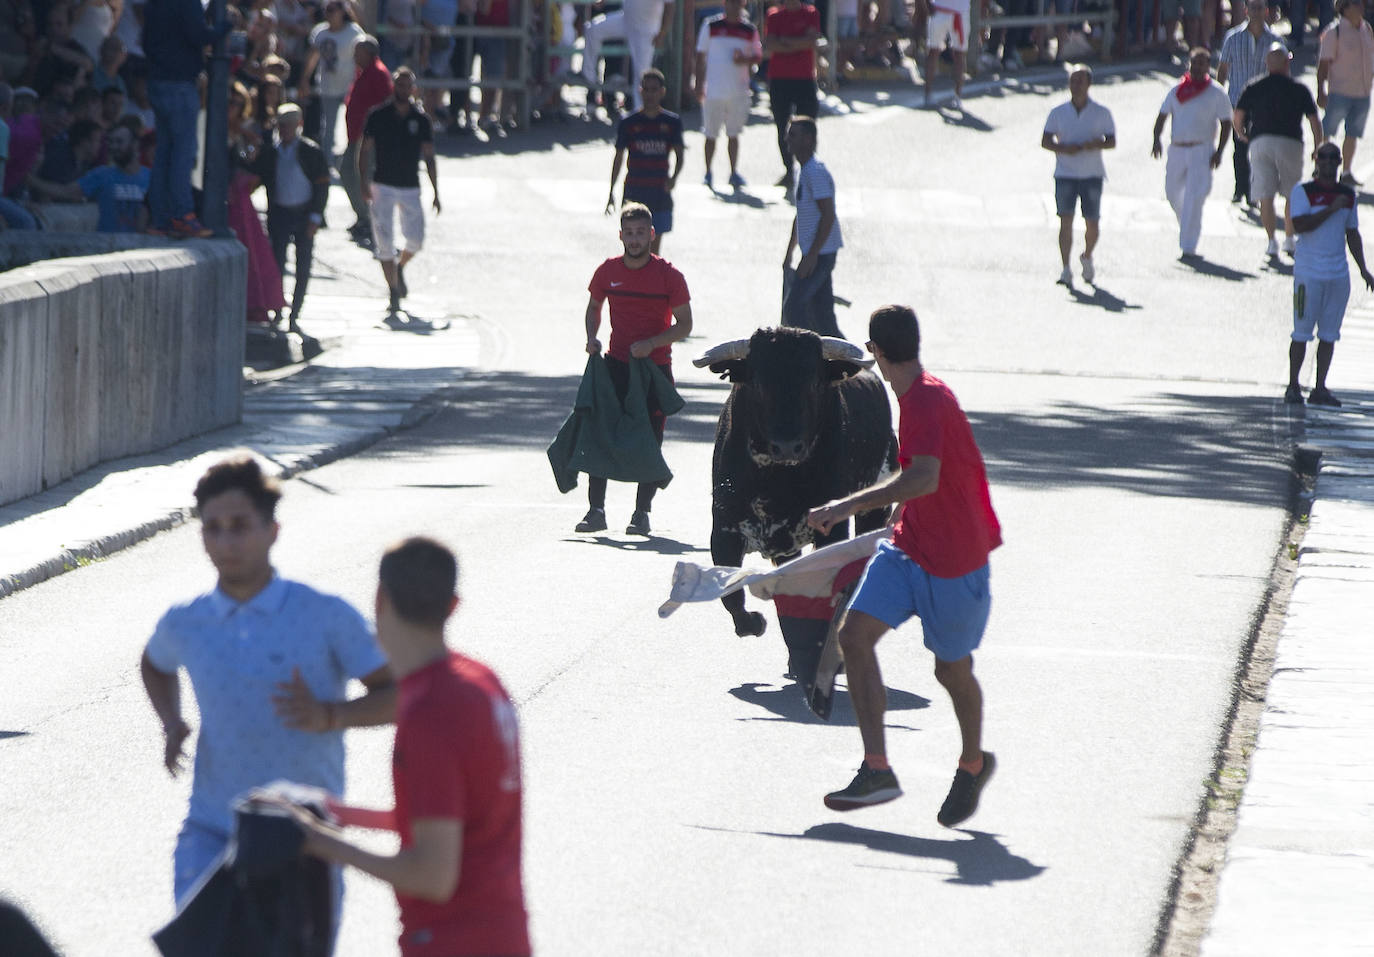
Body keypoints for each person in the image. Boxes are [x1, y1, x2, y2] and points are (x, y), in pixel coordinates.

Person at [139, 454, 396, 905]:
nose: (225, 540)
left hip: (305, 838)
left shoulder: (325, 615)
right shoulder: (187, 622)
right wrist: (171, 720)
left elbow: (397, 693)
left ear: (272, 531)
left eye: (239, 525)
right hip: (211, 832)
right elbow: (155, 663)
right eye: (212, 528)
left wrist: (331, 714)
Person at [276, 537, 531, 957]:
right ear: (452, 605)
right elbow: (443, 819)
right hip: (503, 931)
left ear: (379, 599)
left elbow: (432, 875)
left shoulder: (431, 711)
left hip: (451, 940)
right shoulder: (481, 681)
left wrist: (318, 841)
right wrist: (334, 812)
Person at [807, 304, 1001, 827]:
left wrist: (841, 508)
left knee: (951, 670)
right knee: (854, 636)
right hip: (907, 548)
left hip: (955, 562)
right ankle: (877, 769)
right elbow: (918, 480)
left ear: (874, 351)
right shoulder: (912, 397)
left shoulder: (928, 401)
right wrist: (894, 516)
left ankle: (973, 763)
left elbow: (924, 479)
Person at [576, 202, 693, 536]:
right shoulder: (607, 271)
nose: (635, 239)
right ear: (621, 236)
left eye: (641, 233)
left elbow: (685, 324)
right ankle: (595, 511)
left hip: (654, 369)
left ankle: (641, 513)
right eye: (629, 233)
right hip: (615, 365)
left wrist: (653, 343)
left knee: (649, 440)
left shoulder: (669, 276)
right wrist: (591, 337)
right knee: (600, 433)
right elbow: (594, 307)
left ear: (652, 235)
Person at [1285, 142, 1374, 407]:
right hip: (1308, 274)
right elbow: (1300, 225)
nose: (1328, 162)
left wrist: (1364, 270)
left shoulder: (1348, 195)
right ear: (1315, 160)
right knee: (1301, 332)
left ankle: (1320, 387)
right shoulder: (1303, 192)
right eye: (1322, 157)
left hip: (1337, 275)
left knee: (1329, 334)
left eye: (1333, 158)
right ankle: (1292, 386)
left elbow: (1352, 233)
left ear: (1338, 163)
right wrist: (1330, 209)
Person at [359, 67, 440, 315]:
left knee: (416, 239)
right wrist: (363, 182)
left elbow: (429, 156)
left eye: (407, 86)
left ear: (413, 89)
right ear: (393, 86)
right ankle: (393, 290)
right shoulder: (378, 115)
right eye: (399, 85)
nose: (402, 90)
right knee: (384, 242)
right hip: (382, 184)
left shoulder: (421, 119)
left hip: (409, 185)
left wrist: (436, 191)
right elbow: (364, 151)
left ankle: (400, 267)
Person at [143, 0, 225, 238]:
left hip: (157, 82)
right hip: (180, 84)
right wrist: (223, 28)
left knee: (164, 153)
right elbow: (198, 35)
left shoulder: (154, 5)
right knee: (182, 153)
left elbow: (147, 42)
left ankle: (159, 219)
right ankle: (182, 215)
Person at [242, 101, 328, 330]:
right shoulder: (271, 152)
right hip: (279, 213)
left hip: (304, 214)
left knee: (303, 265)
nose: (285, 130)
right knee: (276, 263)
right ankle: (278, 308)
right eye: (282, 125)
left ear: (298, 125)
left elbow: (322, 186)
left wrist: (316, 217)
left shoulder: (310, 151)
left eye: (289, 125)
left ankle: (295, 313)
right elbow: (255, 174)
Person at [1234, 44, 1322, 258]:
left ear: (1267, 64)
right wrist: (1318, 147)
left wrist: (1242, 134)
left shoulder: (1253, 87)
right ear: (1286, 63)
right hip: (1290, 143)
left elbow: (1238, 115)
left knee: (1265, 195)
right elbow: (1314, 121)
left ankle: (1272, 241)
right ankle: (1290, 239)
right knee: (1292, 193)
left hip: (1260, 142)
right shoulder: (1299, 89)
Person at [1151, 48, 1233, 258]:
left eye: (1202, 64)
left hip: (1201, 149)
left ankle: (1188, 246)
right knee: (1172, 193)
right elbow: (1162, 115)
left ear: (1208, 66)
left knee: (1194, 198)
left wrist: (1219, 152)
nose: (1197, 67)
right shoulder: (1177, 90)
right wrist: (1156, 140)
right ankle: (1187, 224)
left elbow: (1226, 123)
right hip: (1177, 149)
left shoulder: (1216, 92)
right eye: (1194, 63)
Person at [1042, 66, 1116, 286]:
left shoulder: (1101, 112)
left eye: (1080, 81)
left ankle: (1087, 255)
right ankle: (1065, 268)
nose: (1076, 86)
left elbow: (1111, 140)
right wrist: (1064, 149)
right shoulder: (1058, 112)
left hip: (1092, 174)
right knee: (1066, 220)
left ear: (1088, 84)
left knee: (1091, 223)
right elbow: (1046, 140)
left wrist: (1095, 144)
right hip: (1065, 173)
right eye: (1073, 81)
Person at [606, 68, 683, 255]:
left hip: (659, 191)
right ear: (640, 90)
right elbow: (619, 157)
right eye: (646, 89)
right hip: (635, 190)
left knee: (654, 252)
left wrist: (673, 178)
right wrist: (611, 191)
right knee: (633, 248)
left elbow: (680, 154)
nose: (650, 94)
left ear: (662, 92)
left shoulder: (671, 122)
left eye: (654, 89)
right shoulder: (628, 122)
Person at [1217, 0, 1284, 205]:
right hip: (1238, 102)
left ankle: (1254, 190)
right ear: (1246, 10)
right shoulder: (1233, 38)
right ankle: (1240, 188)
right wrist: (1218, 98)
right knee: (1240, 147)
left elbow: (1281, 73)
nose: (1256, 12)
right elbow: (1223, 69)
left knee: (1259, 149)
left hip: (1263, 104)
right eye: (1252, 7)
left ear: (1266, 11)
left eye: (1259, 8)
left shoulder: (1275, 41)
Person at [782, 116, 843, 337]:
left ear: (808, 139)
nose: (787, 139)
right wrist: (790, 252)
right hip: (815, 253)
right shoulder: (803, 170)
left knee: (794, 307)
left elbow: (828, 216)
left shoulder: (814, 172)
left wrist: (812, 256)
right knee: (823, 317)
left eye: (793, 135)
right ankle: (853, 365)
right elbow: (801, 216)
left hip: (821, 254)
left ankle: (809, 356)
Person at [694, 0, 762, 191]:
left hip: (738, 91)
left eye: (737, 3)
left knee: (733, 133)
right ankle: (708, 172)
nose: (733, 6)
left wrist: (744, 59)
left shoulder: (749, 29)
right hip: (713, 90)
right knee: (710, 134)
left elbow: (758, 55)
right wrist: (699, 85)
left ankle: (733, 172)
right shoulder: (711, 25)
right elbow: (700, 56)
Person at [30, 123, 148, 231]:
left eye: (119, 142)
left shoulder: (151, 178)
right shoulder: (102, 174)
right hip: (108, 246)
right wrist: (29, 179)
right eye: (110, 142)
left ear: (135, 144)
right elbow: (66, 191)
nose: (113, 146)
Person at [763, 0, 820, 192]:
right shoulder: (774, 15)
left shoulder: (810, 13)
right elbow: (771, 44)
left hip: (804, 78)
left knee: (808, 126)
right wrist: (798, 44)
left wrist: (785, 42)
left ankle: (808, 169)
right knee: (782, 126)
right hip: (780, 78)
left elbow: (811, 41)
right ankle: (789, 170)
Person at [1315, 0, 1374, 186]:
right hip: (1339, 92)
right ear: (1344, 8)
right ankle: (1320, 167)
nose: (1361, 7)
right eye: (1355, 3)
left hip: (1362, 93)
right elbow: (1323, 64)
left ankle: (1346, 171)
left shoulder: (1367, 29)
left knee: (1353, 134)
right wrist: (1321, 91)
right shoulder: (1334, 32)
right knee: (1328, 131)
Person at [581, 0, 676, 113]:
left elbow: (670, 8)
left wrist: (662, 33)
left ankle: (640, 114)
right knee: (592, 29)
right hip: (626, 19)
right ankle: (588, 76)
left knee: (641, 75)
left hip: (646, 30)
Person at [300, 0, 364, 166]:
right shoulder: (320, 33)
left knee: (353, 124)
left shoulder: (353, 31)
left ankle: (352, 161)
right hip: (328, 86)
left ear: (342, 12)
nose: (329, 14)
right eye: (327, 10)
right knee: (328, 127)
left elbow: (362, 54)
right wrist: (304, 79)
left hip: (350, 86)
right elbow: (312, 58)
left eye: (333, 10)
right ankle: (327, 164)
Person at [342, 36, 391, 245]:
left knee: (358, 175)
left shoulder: (378, 74)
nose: (354, 56)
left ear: (369, 54)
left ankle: (368, 218)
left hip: (368, 139)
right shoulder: (363, 72)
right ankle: (363, 216)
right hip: (356, 136)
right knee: (349, 172)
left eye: (358, 52)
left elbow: (385, 106)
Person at [921, 0, 970, 108]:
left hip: (960, 13)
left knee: (959, 54)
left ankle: (958, 96)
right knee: (933, 51)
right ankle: (927, 94)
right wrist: (928, 5)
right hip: (939, 11)